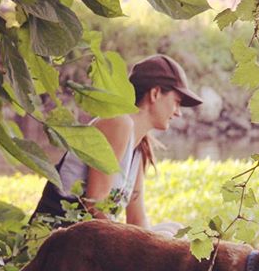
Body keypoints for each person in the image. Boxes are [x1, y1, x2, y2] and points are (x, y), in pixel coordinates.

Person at [32, 54, 202, 234]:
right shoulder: (119, 123)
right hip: (58, 241)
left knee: (174, 231)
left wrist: (153, 249)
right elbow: (95, 206)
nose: (178, 113)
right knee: (168, 237)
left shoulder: (140, 145)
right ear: (155, 93)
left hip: (89, 237)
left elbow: (137, 219)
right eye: (176, 103)